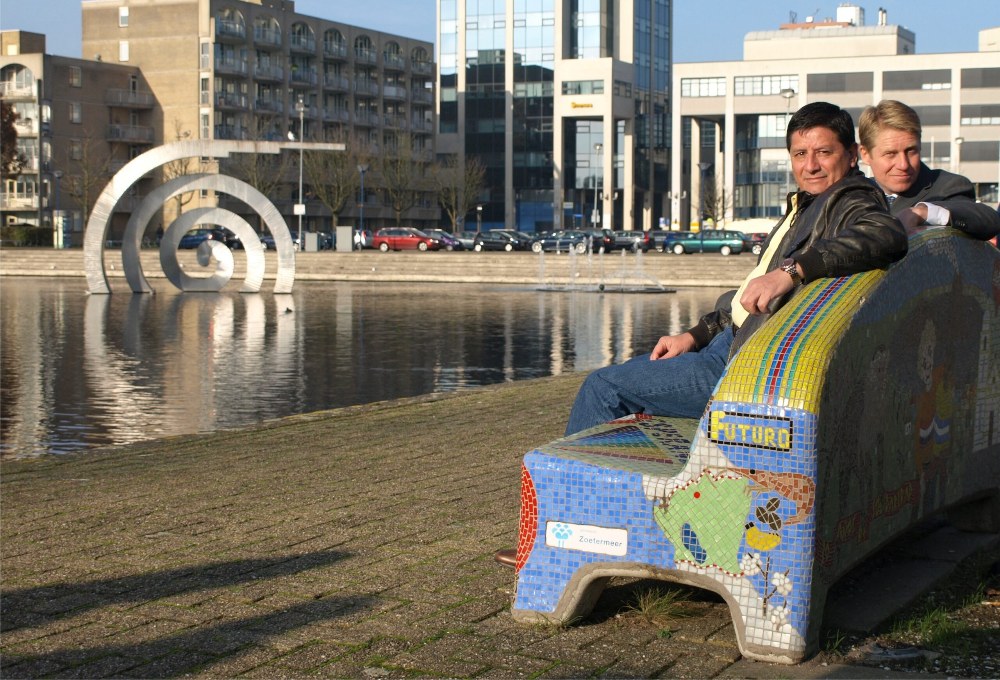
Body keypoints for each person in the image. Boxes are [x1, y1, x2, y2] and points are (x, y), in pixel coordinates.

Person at [495, 101, 909, 568]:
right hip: (729, 348)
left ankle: (560, 536)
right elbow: (745, 299)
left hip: (742, 368)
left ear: (851, 155)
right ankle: (615, 528)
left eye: (823, 152)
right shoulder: (809, 205)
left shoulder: (851, 199)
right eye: (799, 154)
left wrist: (791, 271)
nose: (810, 165)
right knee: (634, 385)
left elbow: (885, 234)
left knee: (604, 388)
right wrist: (694, 334)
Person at [858, 99, 1000, 240]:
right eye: (890, 154)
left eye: (911, 151)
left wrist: (923, 213)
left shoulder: (948, 187)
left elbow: (987, 219)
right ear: (865, 155)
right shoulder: (855, 194)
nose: (903, 165)